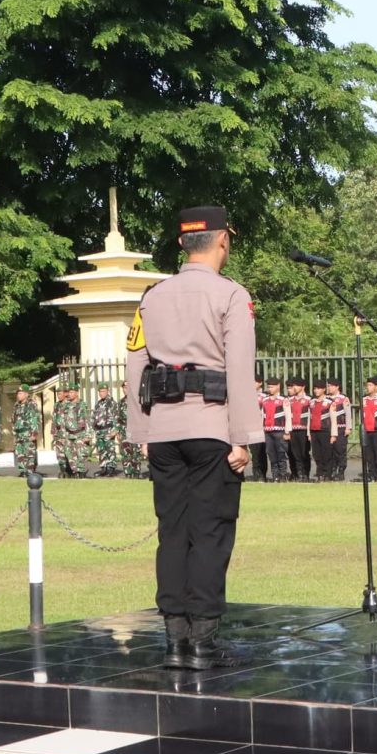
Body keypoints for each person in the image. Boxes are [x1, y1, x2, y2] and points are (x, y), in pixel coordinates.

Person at [126, 205, 258, 670]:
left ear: (184, 243)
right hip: (211, 427)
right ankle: (203, 641)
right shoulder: (231, 295)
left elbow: (136, 364)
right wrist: (243, 438)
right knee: (210, 533)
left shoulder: (152, 295)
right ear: (223, 240)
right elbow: (240, 370)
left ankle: (174, 640)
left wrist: (141, 430)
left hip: (163, 430)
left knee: (172, 533)